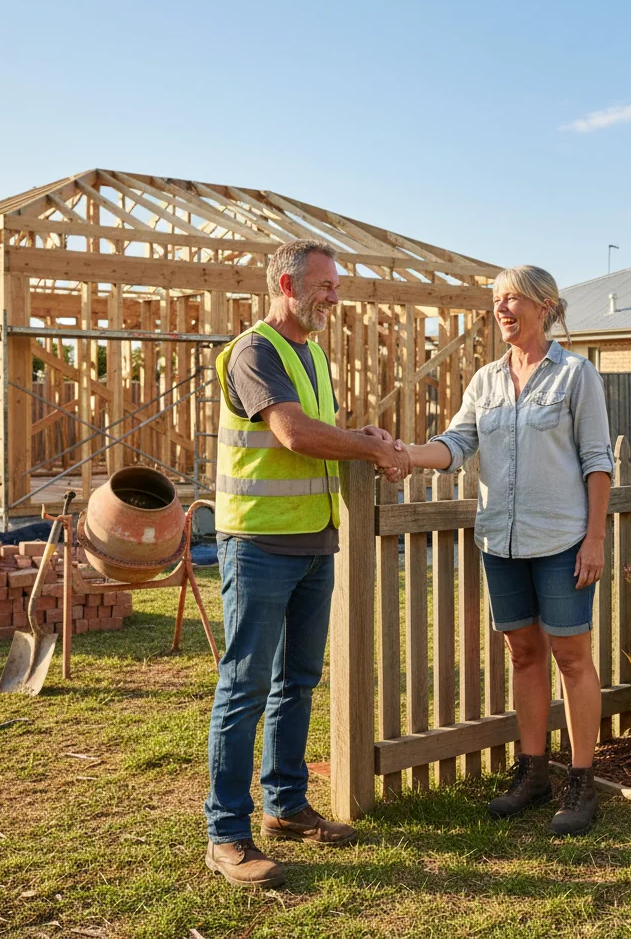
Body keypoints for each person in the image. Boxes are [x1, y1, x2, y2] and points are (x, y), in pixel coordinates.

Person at [204, 238, 411, 888]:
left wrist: (364, 439)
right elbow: (294, 434)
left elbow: (325, 438)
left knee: (296, 682)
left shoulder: (312, 353)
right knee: (244, 688)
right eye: (325, 284)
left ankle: (286, 806)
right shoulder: (256, 350)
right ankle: (227, 833)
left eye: (337, 283)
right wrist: (369, 446)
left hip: (313, 541)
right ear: (288, 286)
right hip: (260, 544)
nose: (336, 293)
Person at [394, 265, 612, 835]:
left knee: (571, 658)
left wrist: (595, 539)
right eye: (496, 301)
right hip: (502, 541)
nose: (502, 309)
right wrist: (403, 454)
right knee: (523, 655)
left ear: (545, 306)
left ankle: (582, 782)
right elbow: (456, 444)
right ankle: (534, 772)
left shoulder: (575, 375)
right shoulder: (485, 381)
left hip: (562, 542)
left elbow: (597, 461)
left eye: (513, 299)